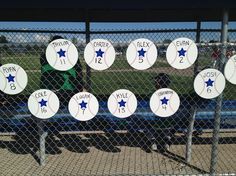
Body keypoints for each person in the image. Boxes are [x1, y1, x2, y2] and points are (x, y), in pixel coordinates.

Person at [40, 35, 84, 105]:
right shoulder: (72, 55)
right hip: (69, 90)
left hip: (51, 90)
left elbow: (78, 70)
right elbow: (79, 71)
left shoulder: (44, 56)